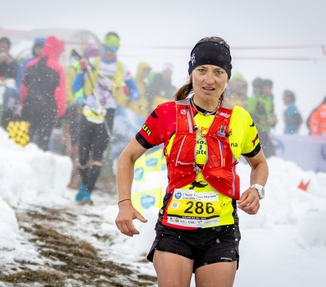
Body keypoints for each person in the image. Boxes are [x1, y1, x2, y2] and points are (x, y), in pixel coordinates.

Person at [115, 36, 269, 287]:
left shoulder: (240, 119)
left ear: (227, 77)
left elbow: (259, 163)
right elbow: (127, 156)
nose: (210, 79)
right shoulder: (167, 113)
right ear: (191, 74)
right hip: (175, 229)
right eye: (202, 70)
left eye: (218, 71)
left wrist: (257, 189)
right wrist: (124, 203)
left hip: (221, 230)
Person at [72, 32, 139, 204]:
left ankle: (88, 191)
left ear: (117, 49)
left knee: (98, 154)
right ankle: (83, 185)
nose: (109, 51)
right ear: (102, 47)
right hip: (89, 110)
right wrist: (79, 94)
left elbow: (135, 92)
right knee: (83, 154)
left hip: (107, 113)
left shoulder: (122, 68)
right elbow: (76, 85)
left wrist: (127, 91)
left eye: (113, 48)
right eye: (107, 48)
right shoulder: (92, 63)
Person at [20, 35, 66, 151]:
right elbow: (60, 93)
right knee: (43, 141)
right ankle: (38, 163)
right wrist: (60, 112)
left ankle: (22, 161)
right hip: (48, 109)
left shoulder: (31, 64)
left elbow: (24, 87)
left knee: (25, 139)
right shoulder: (58, 68)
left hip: (30, 105)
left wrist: (22, 102)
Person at [63, 44, 100, 189]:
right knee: (76, 152)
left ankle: (82, 181)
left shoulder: (98, 72)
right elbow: (73, 87)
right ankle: (71, 179)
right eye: (92, 56)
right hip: (77, 113)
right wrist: (68, 142)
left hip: (91, 114)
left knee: (86, 153)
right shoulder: (80, 69)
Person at [246, 78, 277, 158]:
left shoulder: (270, 101)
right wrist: (262, 121)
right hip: (256, 130)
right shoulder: (254, 98)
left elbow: (272, 114)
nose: (268, 90)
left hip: (266, 132)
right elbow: (248, 114)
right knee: (254, 157)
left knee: (265, 156)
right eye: (266, 87)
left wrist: (274, 120)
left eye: (270, 88)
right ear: (262, 88)